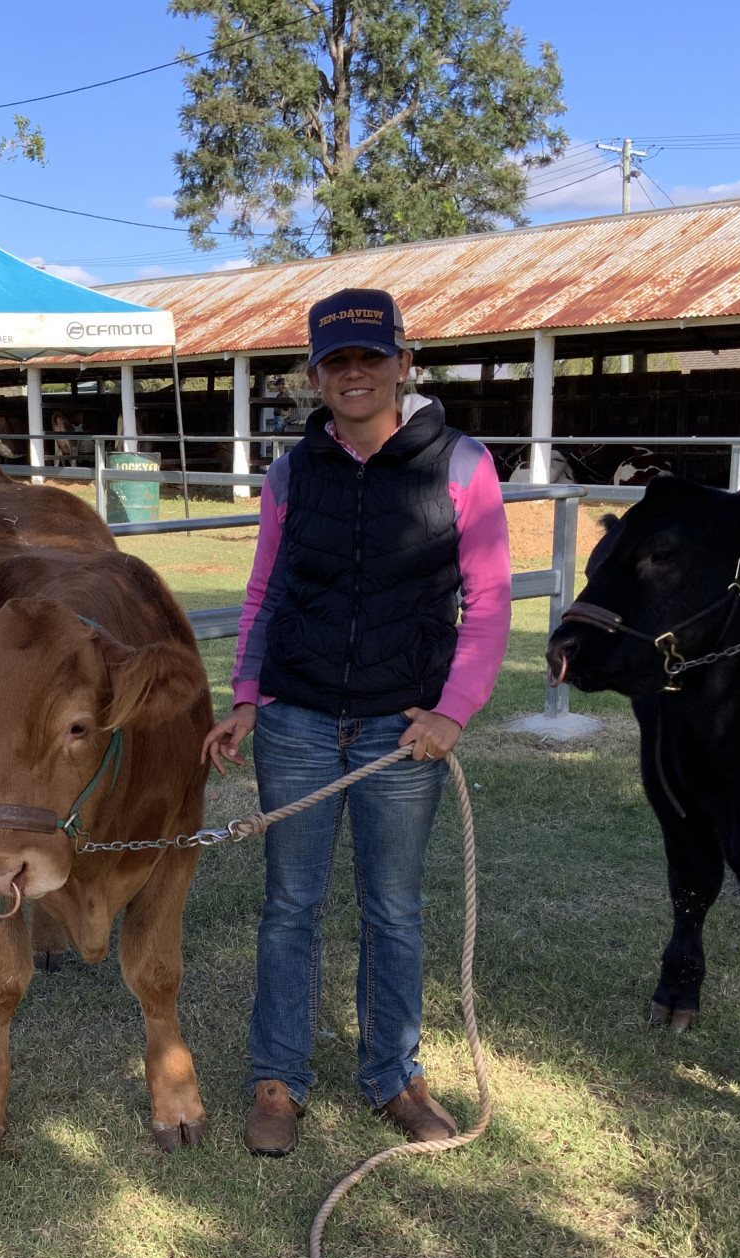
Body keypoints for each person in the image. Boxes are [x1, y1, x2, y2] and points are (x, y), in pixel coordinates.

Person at [202, 288, 511, 1158]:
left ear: (404, 363)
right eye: (336, 362)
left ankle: (394, 1075)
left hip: (400, 730)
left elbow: (488, 604)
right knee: (289, 904)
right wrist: (246, 698)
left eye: (371, 357)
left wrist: (454, 712)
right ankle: (277, 1078)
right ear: (314, 376)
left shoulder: (461, 465)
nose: (355, 374)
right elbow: (265, 592)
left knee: (394, 909)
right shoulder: (294, 473)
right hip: (298, 720)